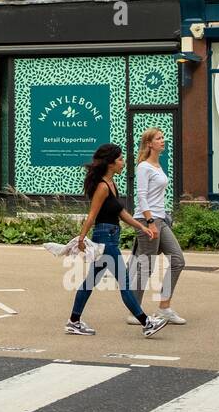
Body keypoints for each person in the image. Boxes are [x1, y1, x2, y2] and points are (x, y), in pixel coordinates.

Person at [66, 143, 168, 339]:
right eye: (120, 159)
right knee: (125, 283)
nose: (123, 163)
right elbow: (92, 215)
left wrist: (142, 226)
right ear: (111, 163)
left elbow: (121, 213)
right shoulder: (103, 187)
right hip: (105, 240)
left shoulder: (112, 184)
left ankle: (74, 321)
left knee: (90, 282)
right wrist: (81, 238)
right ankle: (146, 322)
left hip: (111, 235)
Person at [127, 128, 187, 325]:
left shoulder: (158, 166)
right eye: (159, 138)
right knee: (146, 266)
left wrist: (159, 219)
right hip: (147, 220)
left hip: (160, 219)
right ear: (149, 144)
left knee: (178, 260)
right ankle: (135, 312)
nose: (163, 140)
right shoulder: (144, 167)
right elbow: (141, 196)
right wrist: (150, 222)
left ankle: (164, 308)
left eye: (163, 137)